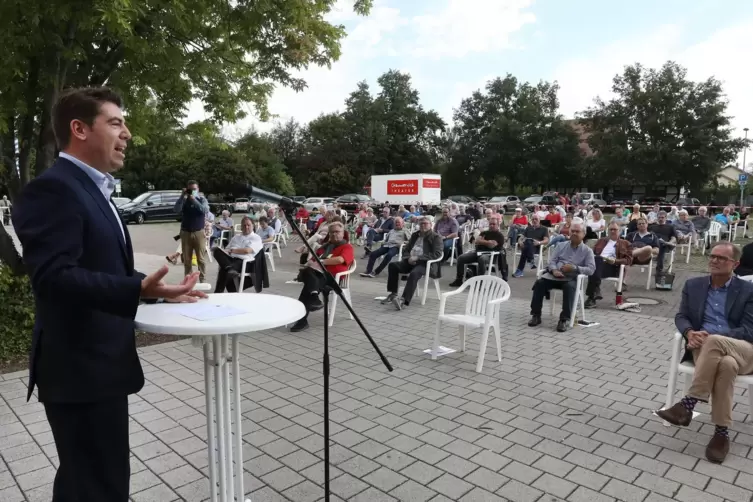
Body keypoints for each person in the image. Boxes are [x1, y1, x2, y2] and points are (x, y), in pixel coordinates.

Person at [11, 87, 205, 502]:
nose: (127, 133)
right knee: (95, 487)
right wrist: (133, 288)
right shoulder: (53, 189)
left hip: (97, 370)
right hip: (79, 373)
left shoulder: (92, 188)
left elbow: (98, 269)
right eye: (116, 122)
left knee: (99, 482)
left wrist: (155, 291)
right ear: (78, 129)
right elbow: (53, 276)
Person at [657, 242, 753, 464]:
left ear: (735, 264)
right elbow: (681, 316)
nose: (714, 260)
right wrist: (690, 332)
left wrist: (713, 335)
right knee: (727, 365)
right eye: (713, 256)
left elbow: (749, 330)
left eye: (722, 258)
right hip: (706, 349)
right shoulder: (694, 285)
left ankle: (688, 403)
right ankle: (721, 433)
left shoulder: (748, 290)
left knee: (716, 342)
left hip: (743, 349)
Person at [528, 220, 595, 332]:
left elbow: (591, 269)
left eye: (577, 231)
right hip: (555, 275)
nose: (574, 233)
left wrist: (575, 268)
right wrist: (554, 270)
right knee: (540, 283)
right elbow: (552, 261)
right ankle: (536, 315)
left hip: (571, 278)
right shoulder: (561, 245)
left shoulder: (587, 251)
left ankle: (564, 319)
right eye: (572, 231)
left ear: (583, 234)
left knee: (569, 287)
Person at [290, 222, 354, 332]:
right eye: (332, 232)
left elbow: (340, 260)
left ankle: (303, 319)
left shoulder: (347, 247)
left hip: (333, 278)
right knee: (307, 273)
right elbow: (313, 259)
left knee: (308, 287)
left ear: (343, 233)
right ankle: (314, 298)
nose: (334, 234)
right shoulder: (326, 246)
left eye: (337, 232)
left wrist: (321, 262)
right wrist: (311, 262)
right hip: (318, 275)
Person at [383, 217, 443, 310]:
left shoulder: (435, 237)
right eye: (421, 223)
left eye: (425, 223)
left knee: (414, 273)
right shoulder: (415, 235)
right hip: (410, 261)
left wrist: (418, 258)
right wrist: (408, 258)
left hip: (425, 264)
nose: (423, 225)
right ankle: (393, 294)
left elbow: (437, 254)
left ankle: (403, 300)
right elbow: (406, 249)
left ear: (431, 225)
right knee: (393, 265)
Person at [585, 222, 633, 308]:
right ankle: (594, 293)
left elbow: (629, 260)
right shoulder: (601, 241)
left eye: (615, 229)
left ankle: (592, 296)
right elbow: (592, 253)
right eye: (611, 229)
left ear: (620, 231)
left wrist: (615, 261)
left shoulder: (626, 243)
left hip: (613, 268)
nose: (613, 231)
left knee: (596, 263)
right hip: (597, 265)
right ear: (607, 231)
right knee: (597, 260)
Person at [212, 216, 265, 293]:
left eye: (248, 225)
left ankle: (218, 292)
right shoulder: (236, 237)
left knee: (224, 270)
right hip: (231, 260)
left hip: (244, 262)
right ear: (241, 227)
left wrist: (232, 251)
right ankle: (229, 269)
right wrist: (225, 252)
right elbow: (227, 249)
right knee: (216, 250)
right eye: (244, 225)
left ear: (253, 226)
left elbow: (247, 251)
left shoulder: (256, 238)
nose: (246, 227)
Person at [449, 217, 504, 287]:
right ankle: (459, 280)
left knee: (482, 258)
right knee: (461, 258)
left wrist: (483, 241)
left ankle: (480, 282)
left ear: (498, 225)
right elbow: (477, 241)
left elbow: (492, 245)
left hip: (490, 255)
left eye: (494, 224)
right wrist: (487, 242)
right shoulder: (484, 232)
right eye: (490, 224)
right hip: (478, 253)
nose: (492, 225)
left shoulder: (499, 236)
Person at [174, 179, 210, 282]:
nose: (192, 191)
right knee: (187, 260)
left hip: (199, 232)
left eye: (194, 189)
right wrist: (182, 196)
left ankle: (202, 280)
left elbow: (205, 210)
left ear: (198, 189)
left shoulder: (202, 199)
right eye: (190, 190)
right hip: (186, 232)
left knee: (201, 259)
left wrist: (194, 199)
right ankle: (188, 281)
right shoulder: (184, 200)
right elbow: (176, 209)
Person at [648, 211, 677, 275]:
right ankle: (659, 270)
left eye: (662, 217)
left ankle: (659, 269)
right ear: (657, 218)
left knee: (661, 245)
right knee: (658, 243)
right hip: (653, 244)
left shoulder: (670, 227)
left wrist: (669, 242)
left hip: (665, 244)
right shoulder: (652, 226)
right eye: (659, 217)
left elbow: (674, 237)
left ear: (666, 218)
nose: (661, 219)